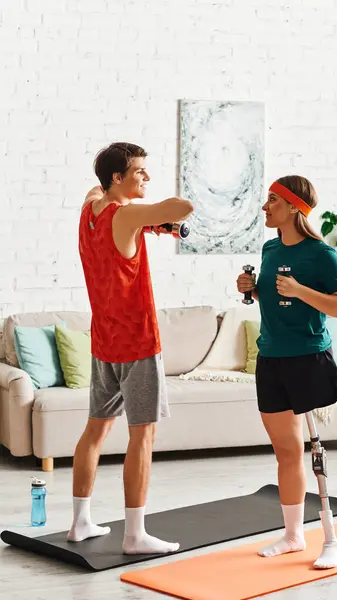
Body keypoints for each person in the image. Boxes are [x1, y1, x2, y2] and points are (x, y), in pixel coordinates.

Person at [67, 142, 193, 555]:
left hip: (104, 342)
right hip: (138, 344)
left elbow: (96, 192)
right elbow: (183, 207)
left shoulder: (90, 209)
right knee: (143, 436)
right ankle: (135, 534)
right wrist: (153, 219)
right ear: (118, 178)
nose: (146, 177)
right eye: (139, 171)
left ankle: (80, 522)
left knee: (95, 430)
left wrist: (148, 226)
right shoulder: (127, 214)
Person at [236, 175, 337, 570]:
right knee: (286, 452)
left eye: (272, 201)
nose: (265, 207)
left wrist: (301, 290)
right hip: (270, 359)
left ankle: (331, 539)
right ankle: (293, 535)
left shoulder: (322, 255)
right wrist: (251, 289)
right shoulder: (270, 248)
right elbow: (272, 298)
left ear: (293, 208)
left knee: (315, 450)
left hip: (308, 359)